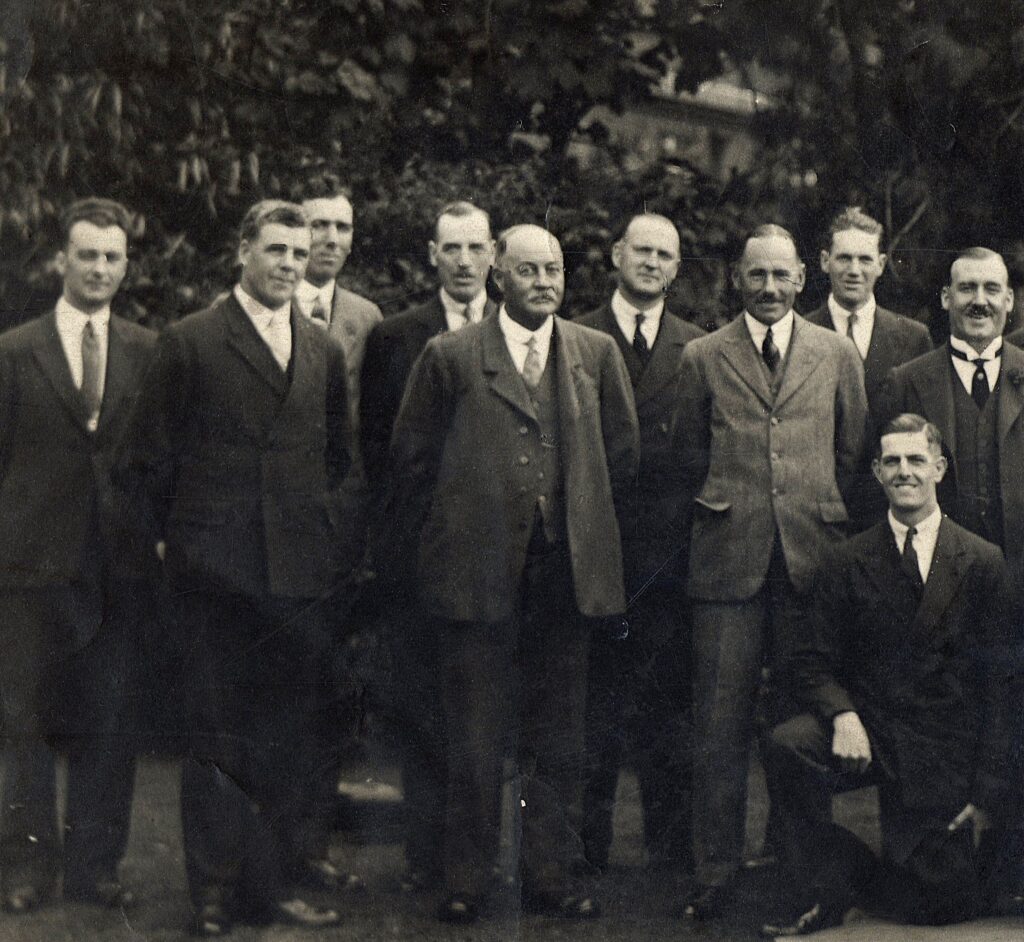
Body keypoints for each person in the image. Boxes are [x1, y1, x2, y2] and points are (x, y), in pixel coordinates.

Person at [387, 224, 639, 923]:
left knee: (559, 739)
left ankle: (549, 877)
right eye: (528, 269)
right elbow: (412, 463)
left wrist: (577, 524)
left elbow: (621, 457)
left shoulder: (595, 353)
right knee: (473, 737)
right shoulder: (450, 356)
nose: (544, 281)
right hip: (476, 576)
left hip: (565, 577)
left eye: (553, 269)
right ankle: (467, 879)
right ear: (498, 276)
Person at [118, 200, 349, 936]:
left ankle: (270, 888)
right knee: (216, 738)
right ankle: (214, 892)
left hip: (296, 576)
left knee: (286, 735)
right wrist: (174, 547)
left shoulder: (323, 350)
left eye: (299, 253)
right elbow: (143, 461)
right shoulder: (190, 341)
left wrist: (320, 542)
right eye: (276, 249)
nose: (290, 264)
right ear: (243, 251)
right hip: (214, 576)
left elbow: (338, 462)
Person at [675, 223, 867, 919]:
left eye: (782, 275)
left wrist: (814, 512)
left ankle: (794, 866)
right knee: (719, 723)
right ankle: (716, 873)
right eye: (756, 274)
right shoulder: (702, 356)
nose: (769, 287)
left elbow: (851, 451)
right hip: (728, 563)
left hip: (811, 564)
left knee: (794, 728)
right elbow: (688, 456)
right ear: (737, 278)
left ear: (802, 279)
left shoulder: (836, 353)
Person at [761, 414, 1016, 936]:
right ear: (877, 472)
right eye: (892, 461)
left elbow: (1001, 687)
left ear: (939, 468)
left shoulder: (982, 561)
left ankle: (875, 878)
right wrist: (843, 714)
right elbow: (810, 659)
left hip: (944, 744)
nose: (905, 472)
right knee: (789, 745)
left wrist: (986, 793)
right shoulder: (846, 559)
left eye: (916, 460)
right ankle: (828, 880)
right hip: (873, 728)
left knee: (935, 904)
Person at [0, 198, 157, 914]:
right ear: (60, 260)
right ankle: (26, 869)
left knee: (110, 721)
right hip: (29, 567)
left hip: (117, 569)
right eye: (87, 254)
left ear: (126, 266)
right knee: (23, 724)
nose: (99, 268)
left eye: (111, 257)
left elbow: (158, 461)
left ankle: (97, 868)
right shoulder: (14, 351)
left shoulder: (149, 351)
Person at [358, 200, 497, 893]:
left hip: (496, 555)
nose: (464, 262)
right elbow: (379, 453)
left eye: (476, 248)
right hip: (419, 552)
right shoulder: (395, 337)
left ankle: (480, 855)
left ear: (493, 255)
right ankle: (424, 853)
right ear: (433, 256)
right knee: (421, 704)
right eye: (452, 249)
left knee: (484, 710)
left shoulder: (517, 329)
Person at [577, 213, 703, 875]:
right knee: (591, 709)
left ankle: (669, 852)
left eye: (664, 255)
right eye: (641, 250)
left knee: (665, 709)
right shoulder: (574, 336)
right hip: (592, 554)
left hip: (667, 561)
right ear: (617, 255)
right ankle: (584, 850)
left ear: (676, 268)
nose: (651, 263)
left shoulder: (699, 347)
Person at [293, 187, 381, 892]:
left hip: (344, 530)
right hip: (273, 522)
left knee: (330, 690)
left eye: (340, 227)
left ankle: (313, 840)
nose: (329, 237)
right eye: (317, 224)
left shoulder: (366, 319)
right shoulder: (259, 306)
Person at [878, 247, 1024, 582]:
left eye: (991, 289)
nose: (979, 301)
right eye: (967, 288)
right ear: (946, 298)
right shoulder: (907, 381)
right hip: (938, 582)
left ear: (1009, 300)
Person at [804, 206, 932, 530]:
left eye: (864, 259)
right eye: (844, 258)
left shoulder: (913, 338)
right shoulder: (799, 334)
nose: (854, 270)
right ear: (825, 261)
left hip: (889, 514)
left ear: (881, 264)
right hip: (817, 513)